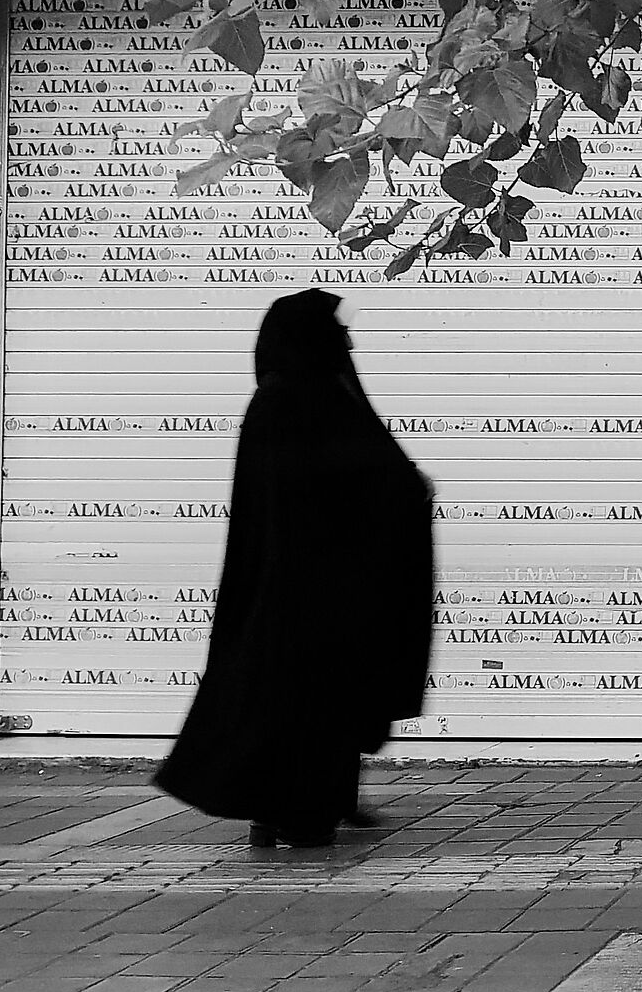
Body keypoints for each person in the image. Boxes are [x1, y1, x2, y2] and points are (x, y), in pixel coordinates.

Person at [155, 290, 435, 850]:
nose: (348, 341)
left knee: (277, 701)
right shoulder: (314, 404)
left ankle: (274, 810)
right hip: (323, 596)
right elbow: (371, 483)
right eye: (337, 332)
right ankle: (307, 817)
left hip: (279, 594)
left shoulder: (276, 401)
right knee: (318, 704)